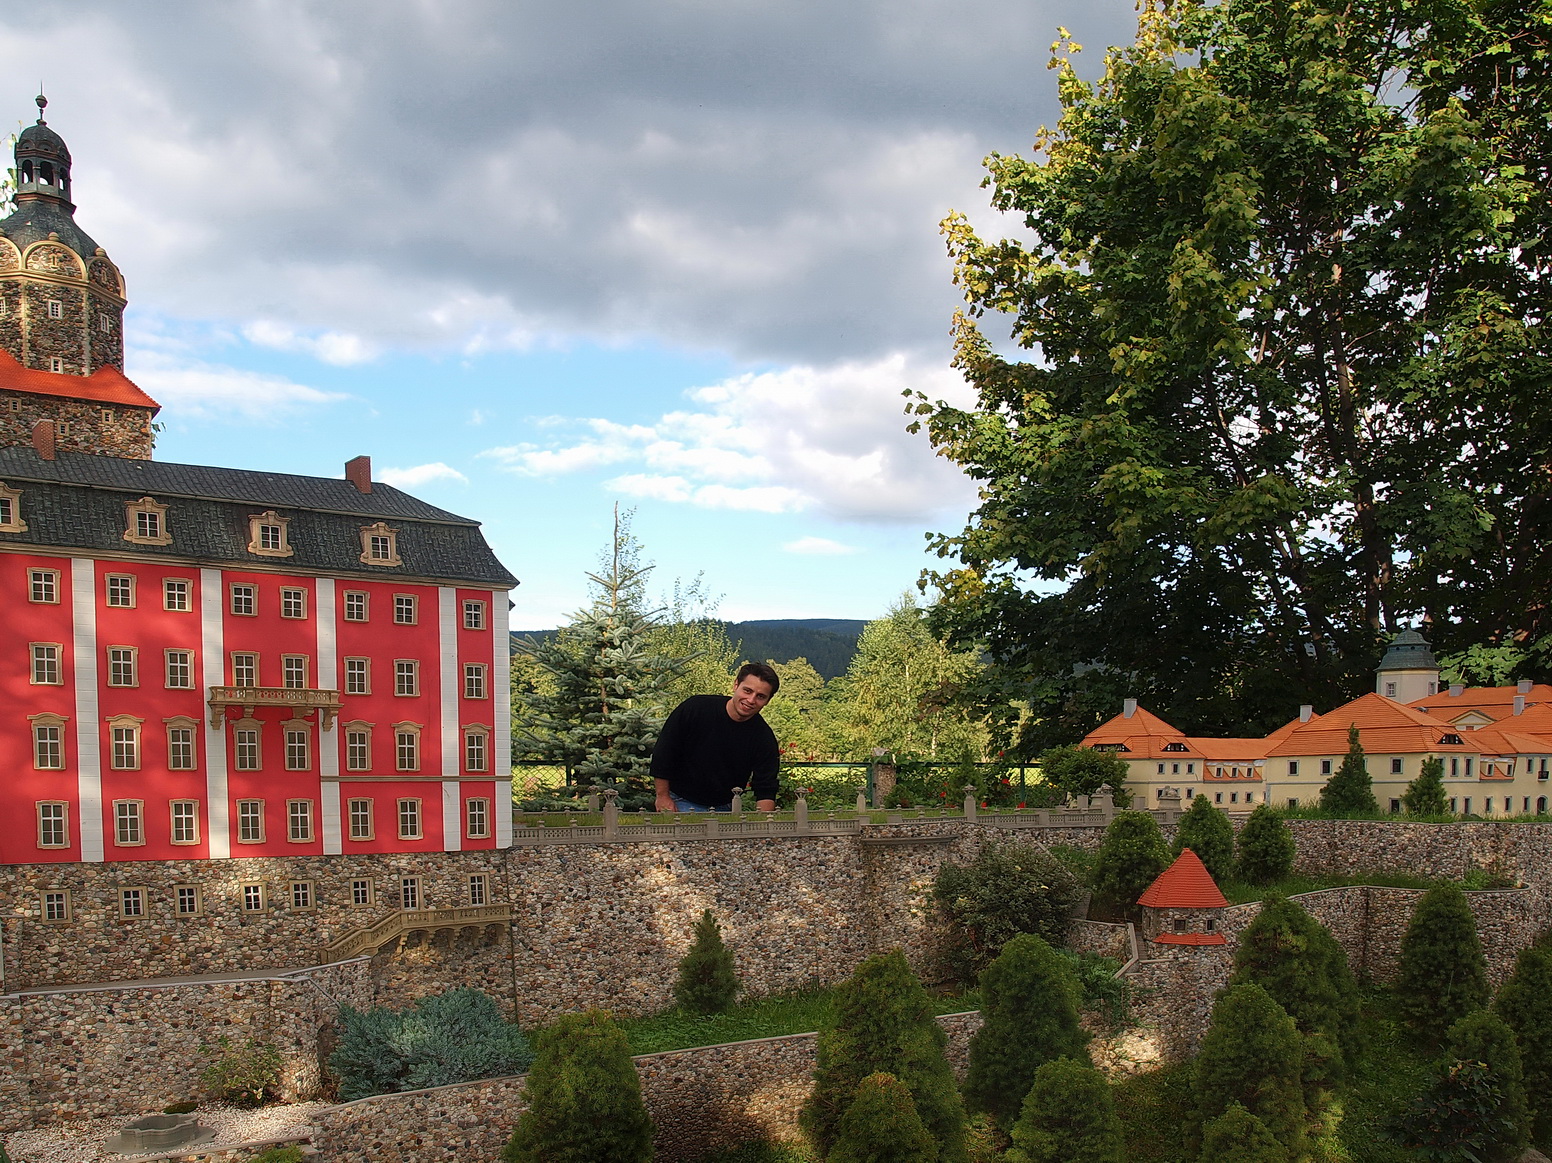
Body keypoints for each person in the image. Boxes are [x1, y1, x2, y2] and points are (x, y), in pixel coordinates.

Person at [651, 663, 781, 812]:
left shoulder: (763, 737)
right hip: (680, 800)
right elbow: (664, 752)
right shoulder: (696, 709)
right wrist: (662, 796)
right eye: (747, 691)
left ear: (768, 701)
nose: (751, 700)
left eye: (760, 696)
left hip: (727, 806)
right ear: (736, 685)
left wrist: (764, 823)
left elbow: (766, 787)